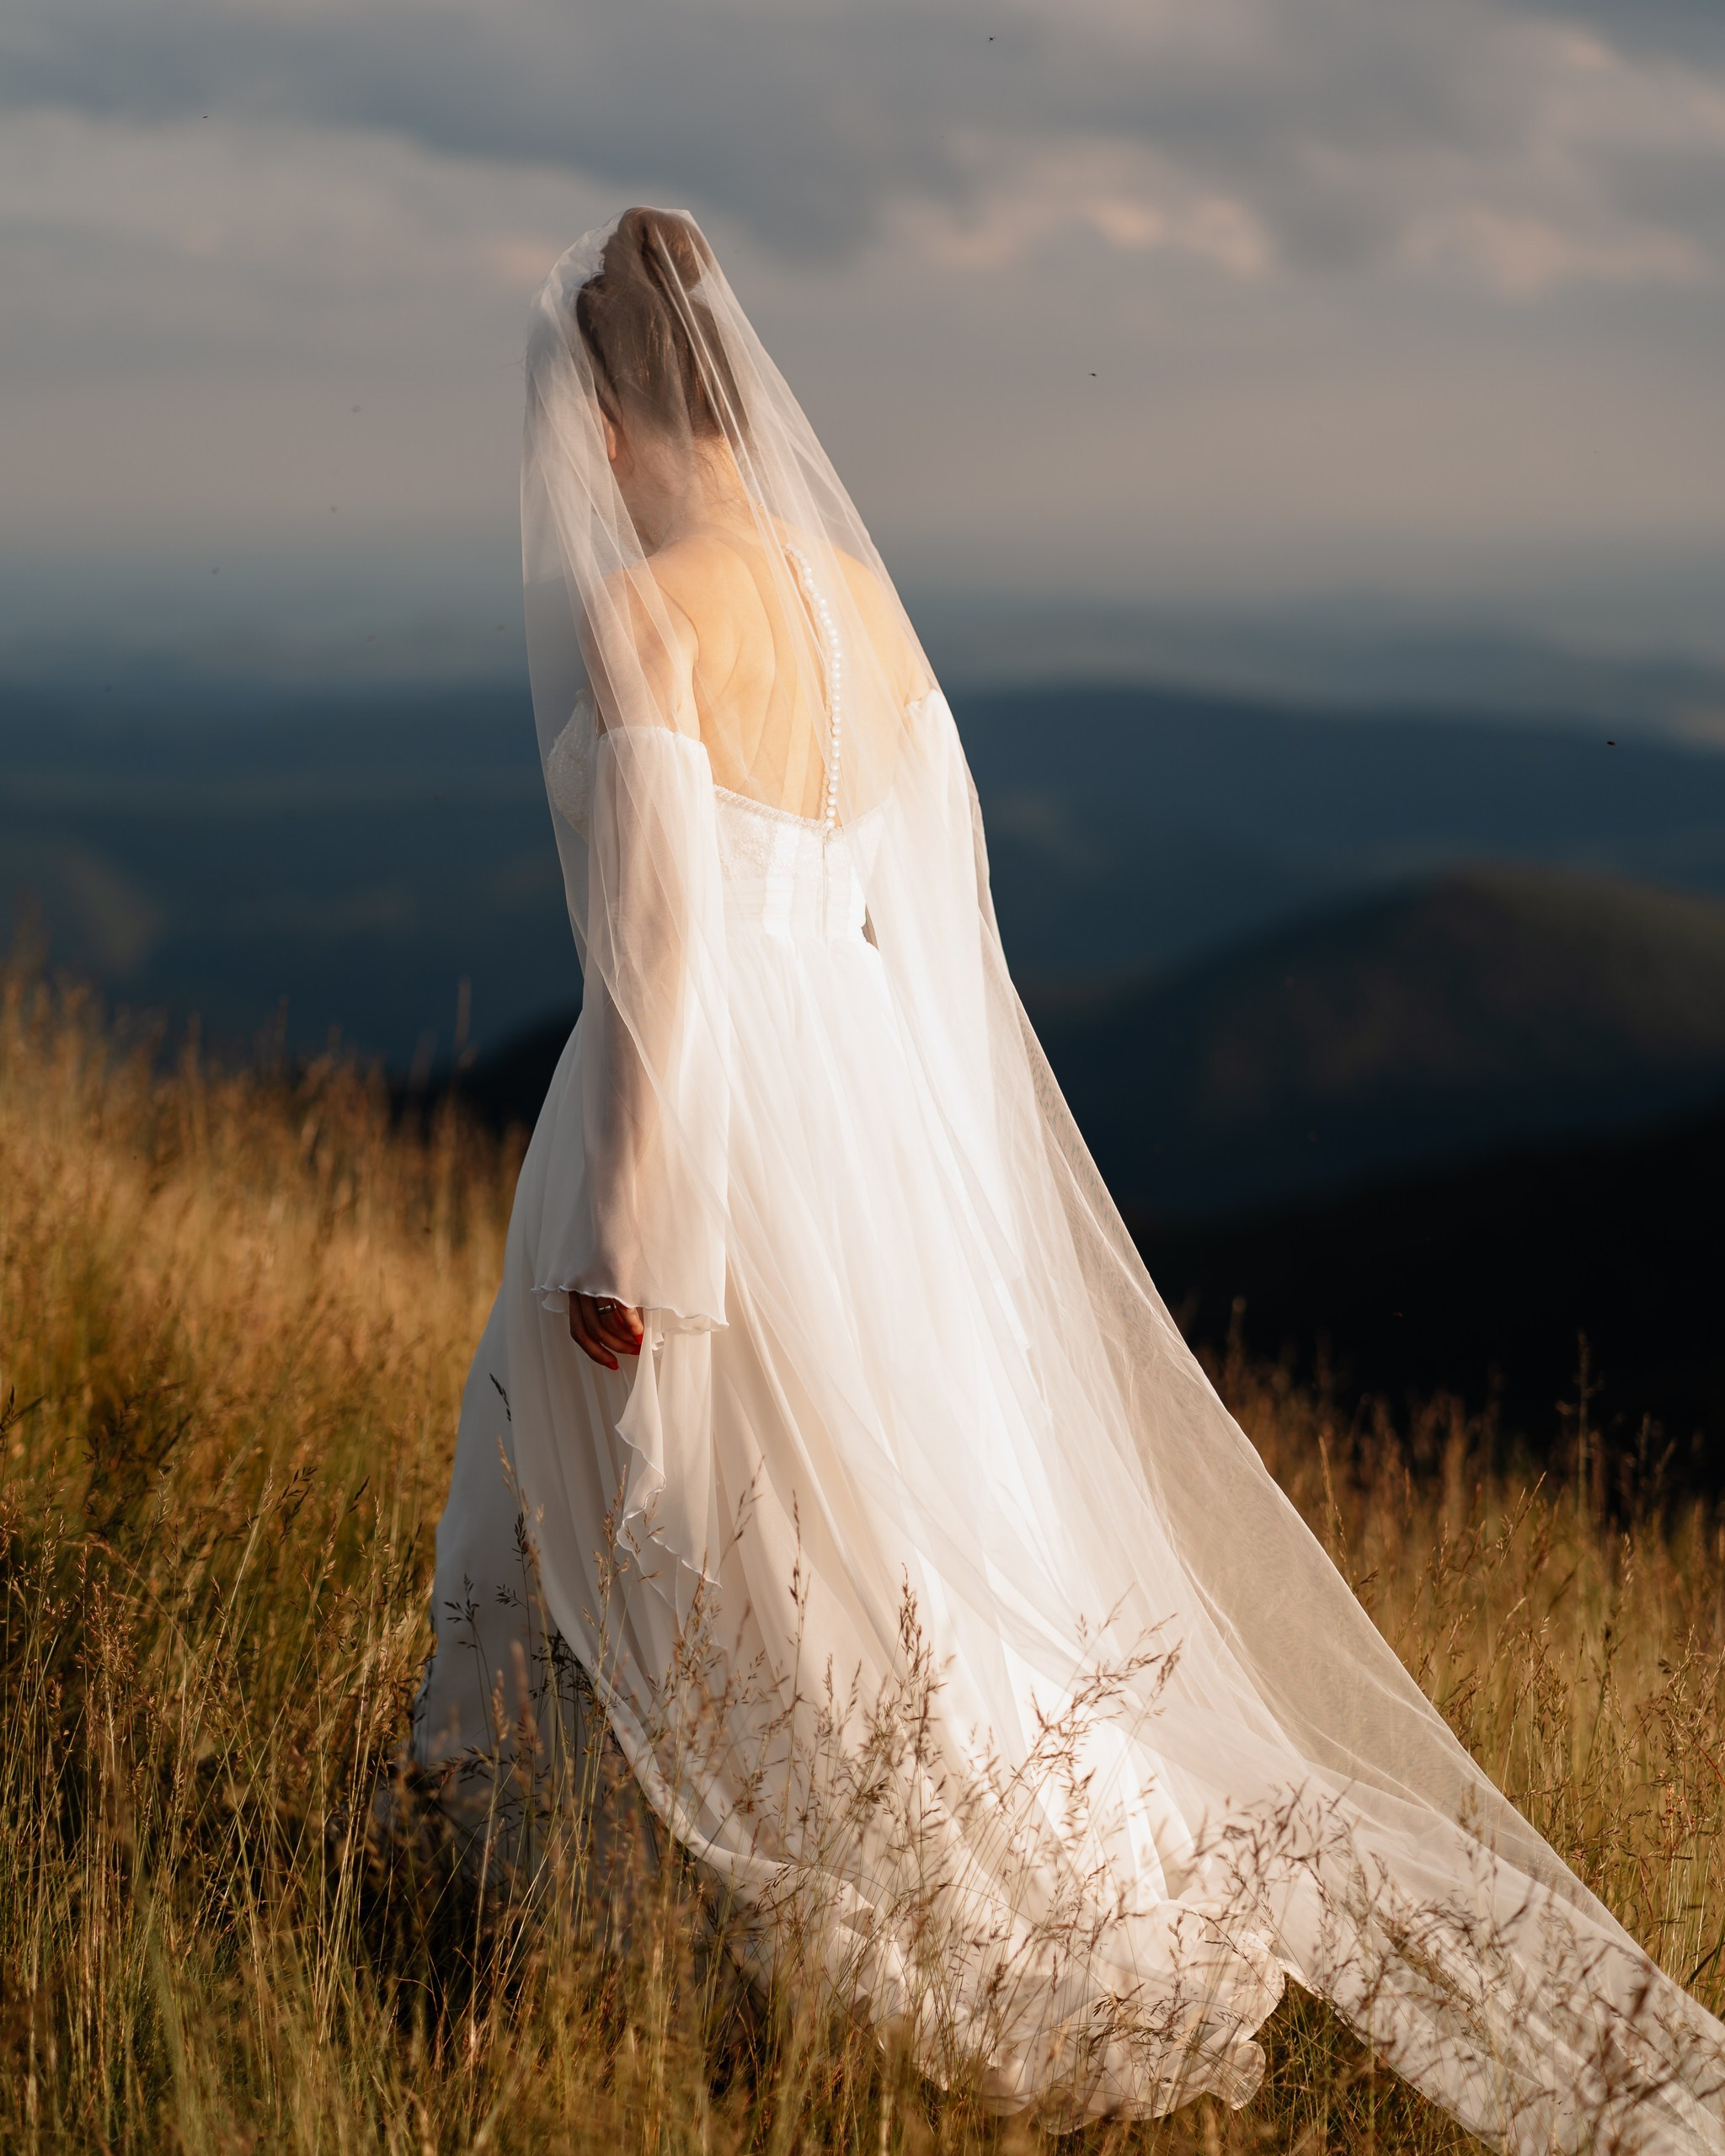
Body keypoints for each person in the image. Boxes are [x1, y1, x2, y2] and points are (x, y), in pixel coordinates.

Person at [410, 205, 1725, 2148]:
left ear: (604, 420)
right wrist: (942, 1179)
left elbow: (662, 953)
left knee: (682, 1522)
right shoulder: (860, 601)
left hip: (706, 1121)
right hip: (876, 1108)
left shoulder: (644, 614)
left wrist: (627, 1229)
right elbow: (937, 916)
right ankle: (1026, 1874)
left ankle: (671, 1933)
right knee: (890, 1537)